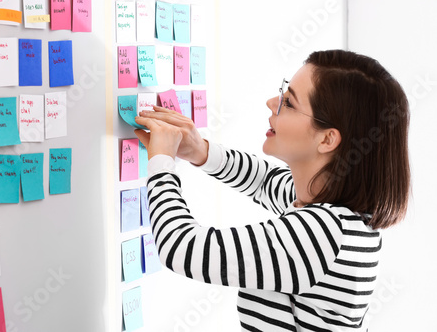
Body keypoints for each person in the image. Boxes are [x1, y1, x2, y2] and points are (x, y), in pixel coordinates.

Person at [134, 49, 410, 331]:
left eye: (288, 102)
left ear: (328, 139)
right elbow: (265, 181)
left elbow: (182, 248)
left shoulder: (321, 234)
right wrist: (200, 151)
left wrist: (161, 162)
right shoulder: (338, 215)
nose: (271, 102)